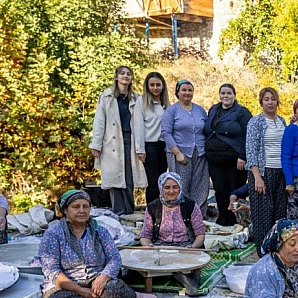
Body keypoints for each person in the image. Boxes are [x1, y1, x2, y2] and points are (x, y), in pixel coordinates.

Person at [38, 190, 158, 298]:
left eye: (86, 206)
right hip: (67, 286)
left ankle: (135, 296)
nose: (82, 211)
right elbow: (52, 271)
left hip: (97, 281)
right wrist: (81, 291)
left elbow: (114, 258)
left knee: (114, 291)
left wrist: (103, 277)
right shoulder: (53, 234)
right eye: (76, 207)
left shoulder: (100, 230)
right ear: (65, 210)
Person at [90, 65, 148, 215]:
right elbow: (99, 121)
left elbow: (140, 124)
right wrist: (96, 143)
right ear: (116, 77)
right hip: (111, 141)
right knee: (114, 180)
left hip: (129, 139)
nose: (125, 76)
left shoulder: (136, 98)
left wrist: (140, 148)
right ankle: (118, 213)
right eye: (122, 73)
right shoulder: (107, 96)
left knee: (129, 179)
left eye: (128, 74)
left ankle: (129, 212)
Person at [140, 172, 206, 296]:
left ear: (180, 187)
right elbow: (145, 236)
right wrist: (148, 245)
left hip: (185, 247)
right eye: (167, 187)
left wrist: (192, 247)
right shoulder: (153, 207)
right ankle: (177, 273)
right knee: (142, 260)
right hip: (161, 247)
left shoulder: (190, 205)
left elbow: (200, 235)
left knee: (194, 261)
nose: (171, 191)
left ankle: (189, 280)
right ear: (161, 188)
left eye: (175, 187)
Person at [204, 83, 253, 226]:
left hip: (235, 159)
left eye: (229, 93)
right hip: (214, 159)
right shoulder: (213, 110)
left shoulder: (242, 112)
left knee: (234, 190)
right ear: (219, 95)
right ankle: (223, 220)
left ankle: (237, 221)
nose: (226, 96)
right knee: (220, 190)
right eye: (223, 93)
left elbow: (248, 135)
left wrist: (243, 156)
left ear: (234, 95)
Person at [247, 87, 288, 255]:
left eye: (273, 99)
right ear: (261, 102)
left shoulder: (282, 121)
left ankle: (276, 249)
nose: (270, 102)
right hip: (263, 172)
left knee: (279, 213)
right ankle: (263, 252)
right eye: (266, 99)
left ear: (277, 101)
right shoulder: (256, 122)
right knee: (263, 215)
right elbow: (251, 150)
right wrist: (257, 177)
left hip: (281, 172)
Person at [161, 79, 210, 211]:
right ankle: (181, 212)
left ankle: (197, 213)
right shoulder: (172, 110)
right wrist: (177, 153)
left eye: (190, 90)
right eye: (184, 90)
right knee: (181, 184)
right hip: (180, 152)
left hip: (199, 152)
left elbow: (206, 129)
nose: (187, 93)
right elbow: (166, 133)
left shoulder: (200, 110)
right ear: (178, 92)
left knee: (200, 184)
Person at [133, 71, 169, 205]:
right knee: (153, 182)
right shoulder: (141, 102)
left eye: (158, 85)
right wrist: (140, 149)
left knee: (163, 180)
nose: (155, 88)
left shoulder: (166, 104)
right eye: (152, 85)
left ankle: (163, 208)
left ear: (163, 86)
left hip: (164, 146)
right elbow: (138, 126)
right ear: (147, 86)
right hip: (150, 145)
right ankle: (152, 211)